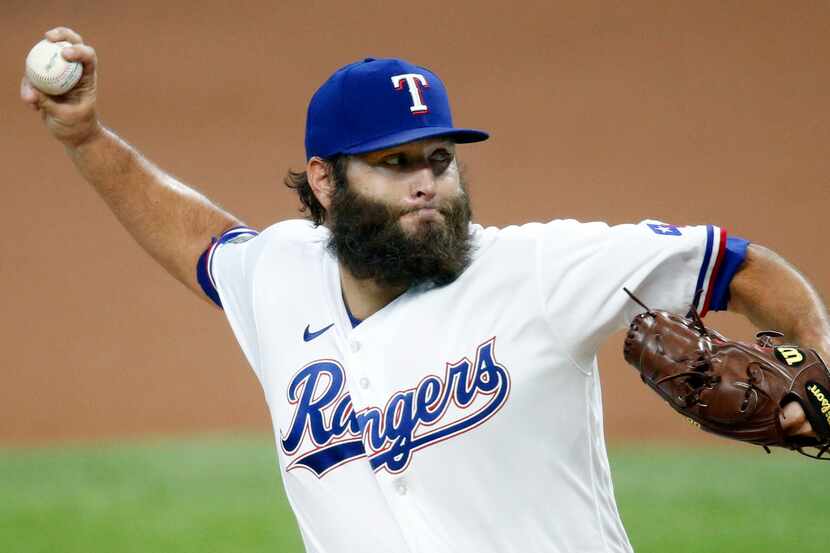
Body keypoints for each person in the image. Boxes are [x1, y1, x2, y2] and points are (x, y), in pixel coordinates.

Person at [21, 27, 827, 553]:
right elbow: (200, 240)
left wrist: (817, 363)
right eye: (394, 164)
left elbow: (741, 263)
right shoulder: (282, 274)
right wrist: (86, 137)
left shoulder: (538, 271)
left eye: (437, 160)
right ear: (325, 181)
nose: (426, 185)